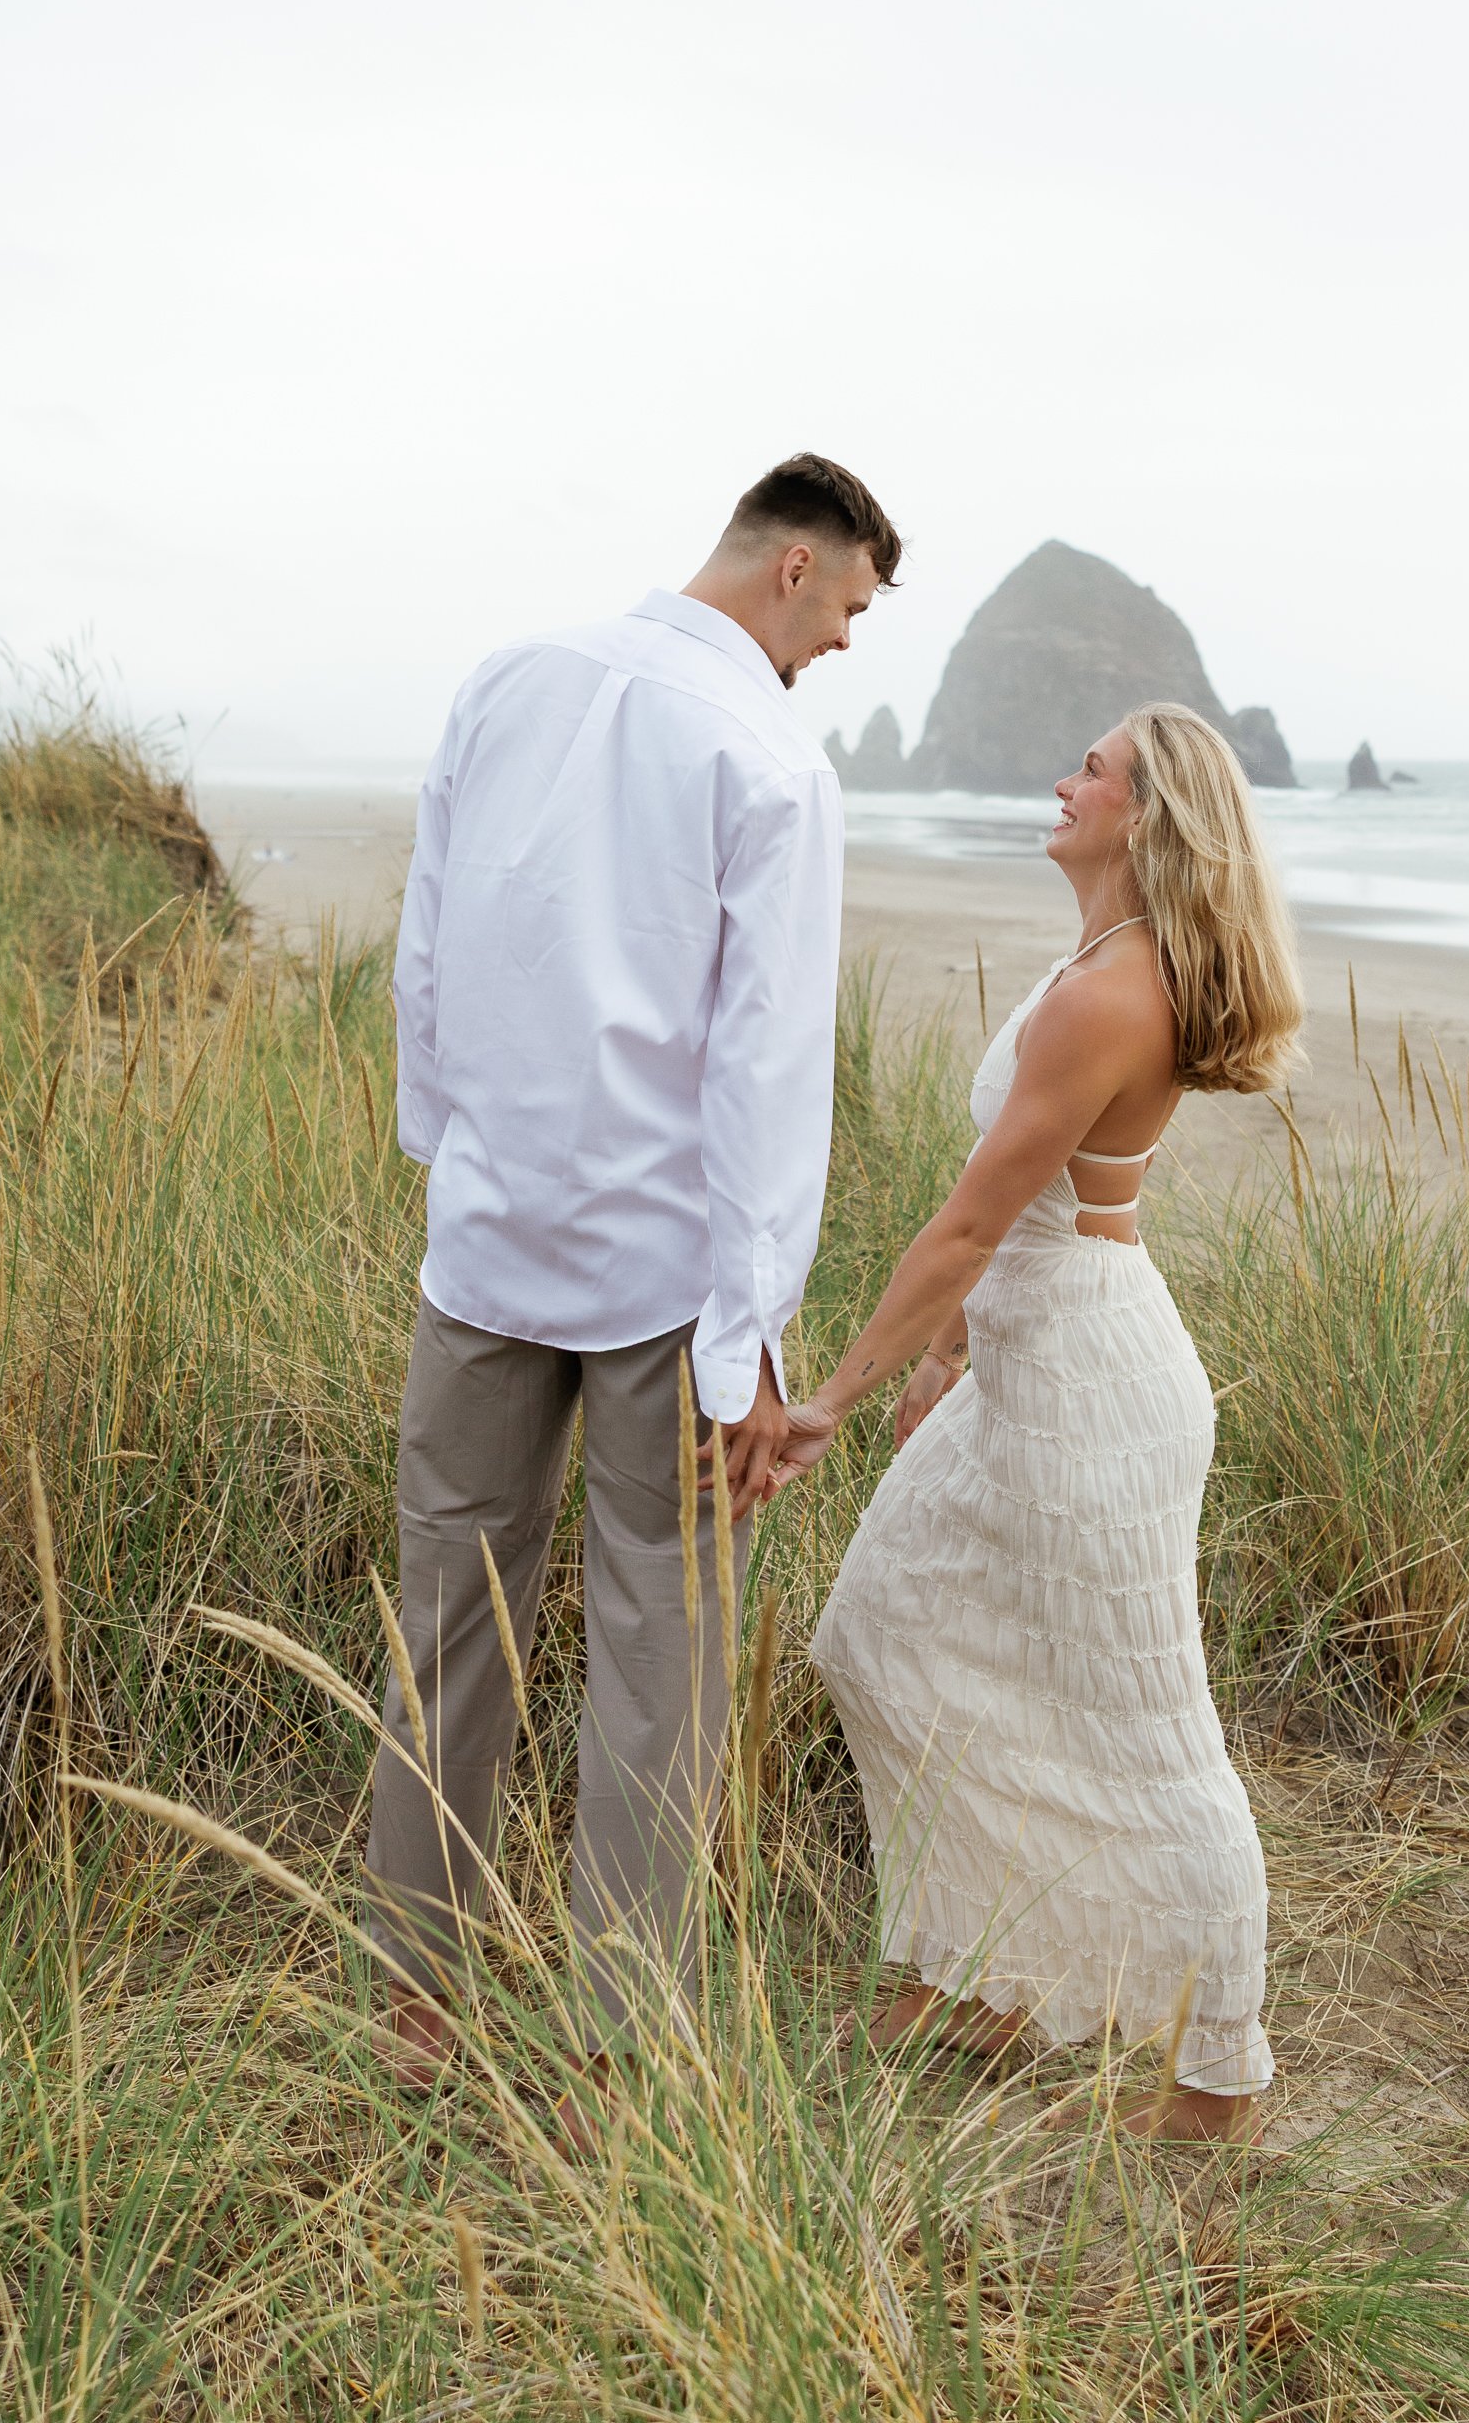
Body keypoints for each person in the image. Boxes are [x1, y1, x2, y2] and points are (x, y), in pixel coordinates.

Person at [366, 451, 901, 2082]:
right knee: (657, 1651)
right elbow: (763, 1074)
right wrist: (752, 1341)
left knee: (447, 1612)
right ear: (797, 567)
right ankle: (619, 2048)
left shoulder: (508, 681)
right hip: (666, 1288)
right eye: (852, 613)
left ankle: (414, 1996)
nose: (841, 652)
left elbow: (431, 948)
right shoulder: (768, 762)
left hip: (488, 1242)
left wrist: (451, 1154)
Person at [782, 702, 1303, 2139]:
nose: (1062, 779)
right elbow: (1021, 1214)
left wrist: (834, 1397)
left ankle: (1220, 2082)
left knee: (1149, 1733)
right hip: (1033, 1355)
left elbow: (973, 1221)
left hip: (1091, 1384)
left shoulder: (1111, 992)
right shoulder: (1092, 962)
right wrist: (944, 1359)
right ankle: (979, 1980)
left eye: (1093, 769)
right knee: (883, 1633)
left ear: (1147, 820)